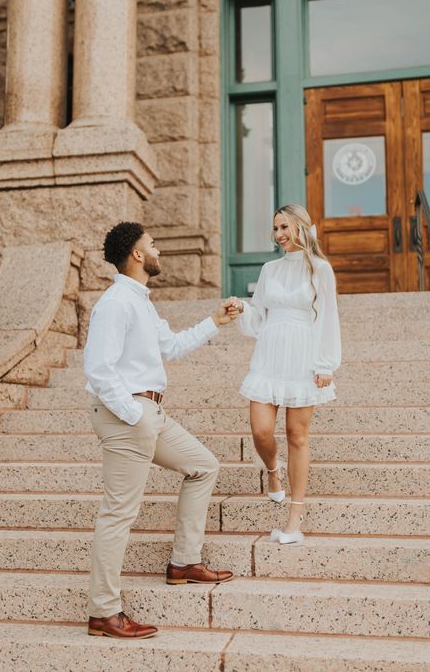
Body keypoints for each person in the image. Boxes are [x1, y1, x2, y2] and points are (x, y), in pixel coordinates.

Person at [84, 221, 237, 640]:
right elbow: (98, 368)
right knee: (119, 513)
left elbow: (169, 347)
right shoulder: (116, 302)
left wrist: (214, 321)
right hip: (129, 413)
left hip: (148, 412)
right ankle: (104, 611)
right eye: (152, 245)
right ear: (136, 255)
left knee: (203, 466)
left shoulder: (140, 302)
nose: (158, 250)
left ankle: (184, 562)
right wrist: (132, 415)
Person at [229, 204, 341, 545]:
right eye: (275, 228)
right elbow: (260, 317)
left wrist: (326, 365)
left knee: (297, 435)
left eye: (284, 227)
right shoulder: (269, 269)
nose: (279, 234)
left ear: (302, 228)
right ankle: (273, 472)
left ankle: (294, 518)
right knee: (261, 431)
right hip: (269, 357)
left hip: (302, 358)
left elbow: (328, 318)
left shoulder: (320, 270)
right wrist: (242, 309)